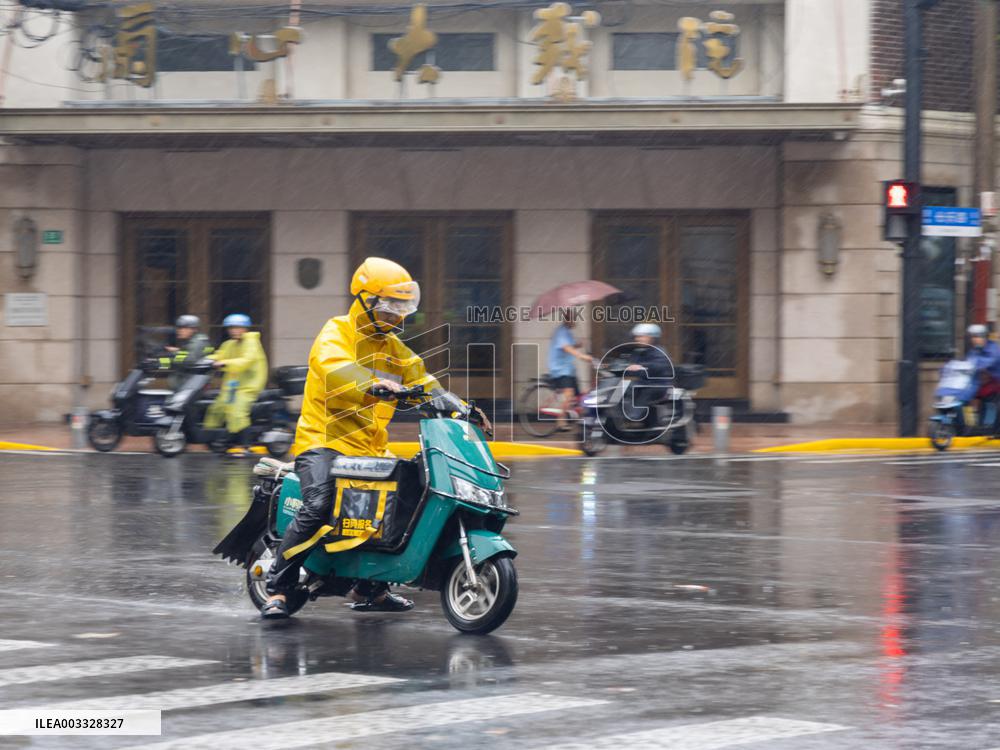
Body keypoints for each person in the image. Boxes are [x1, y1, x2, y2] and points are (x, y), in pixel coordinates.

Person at [261, 257, 485, 620]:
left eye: (402, 308)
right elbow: (334, 367)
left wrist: (456, 403)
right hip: (324, 442)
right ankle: (280, 588)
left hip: (369, 448)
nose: (397, 315)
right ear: (365, 300)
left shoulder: (393, 348)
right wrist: (372, 384)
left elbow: (423, 379)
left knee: (402, 503)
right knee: (319, 507)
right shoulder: (337, 332)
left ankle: (370, 586)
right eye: (390, 306)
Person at [204, 314, 268, 458]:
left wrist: (225, 363)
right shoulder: (229, 344)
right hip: (232, 387)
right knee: (216, 409)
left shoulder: (252, 342)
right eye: (231, 328)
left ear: (245, 328)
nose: (234, 331)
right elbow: (219, 355)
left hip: (248, 386)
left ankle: (246, 446)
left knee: (237, 411)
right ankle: (219, 440)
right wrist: (205, 360)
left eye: (238, 327)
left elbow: (247, 360)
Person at [548, 314, 592, 430]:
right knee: (569, 395)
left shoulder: (567, 332)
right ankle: (561, 421)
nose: (575, 322)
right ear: (568, 320)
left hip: (569, 369)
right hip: (560, 369)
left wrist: (579, 344)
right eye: (573, 320)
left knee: (578, 397)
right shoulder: (561, 332)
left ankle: (577, 418)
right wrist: (581, 356)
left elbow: (570, 346)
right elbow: (566, 348)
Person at [621, 323, 671, 424]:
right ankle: (619, 415)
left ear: (651, 338)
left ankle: (634, 416)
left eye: (641, 336)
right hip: (643, 382)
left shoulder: (659, 352)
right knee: (622, 388)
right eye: (637, 337)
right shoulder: (639, 352)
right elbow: (631, 364)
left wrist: (643, 366)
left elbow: (659, 366)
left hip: (657, 384)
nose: (638, 339)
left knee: (641, 390)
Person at [163, 314, 211, 390]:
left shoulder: (197, 343)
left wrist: (171, 355)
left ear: (194, 329)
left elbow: (189, 360)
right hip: (188, 384)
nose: (180, 330)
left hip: (189, 385)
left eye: (184, 328)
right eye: (179, 328)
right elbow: (184, 356)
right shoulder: (192, 341)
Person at [967, 324, 1000, 430]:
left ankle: (988, 425)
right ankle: (973, 424)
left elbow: (989, 362)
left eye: (977, 336)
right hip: (982, 383)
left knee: (989, 399)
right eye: (973, 337)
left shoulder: (993, 349)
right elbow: (968, 362)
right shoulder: (974, 351)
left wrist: (978, 366)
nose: (975, 339)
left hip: (995, 383)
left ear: (984, 337)